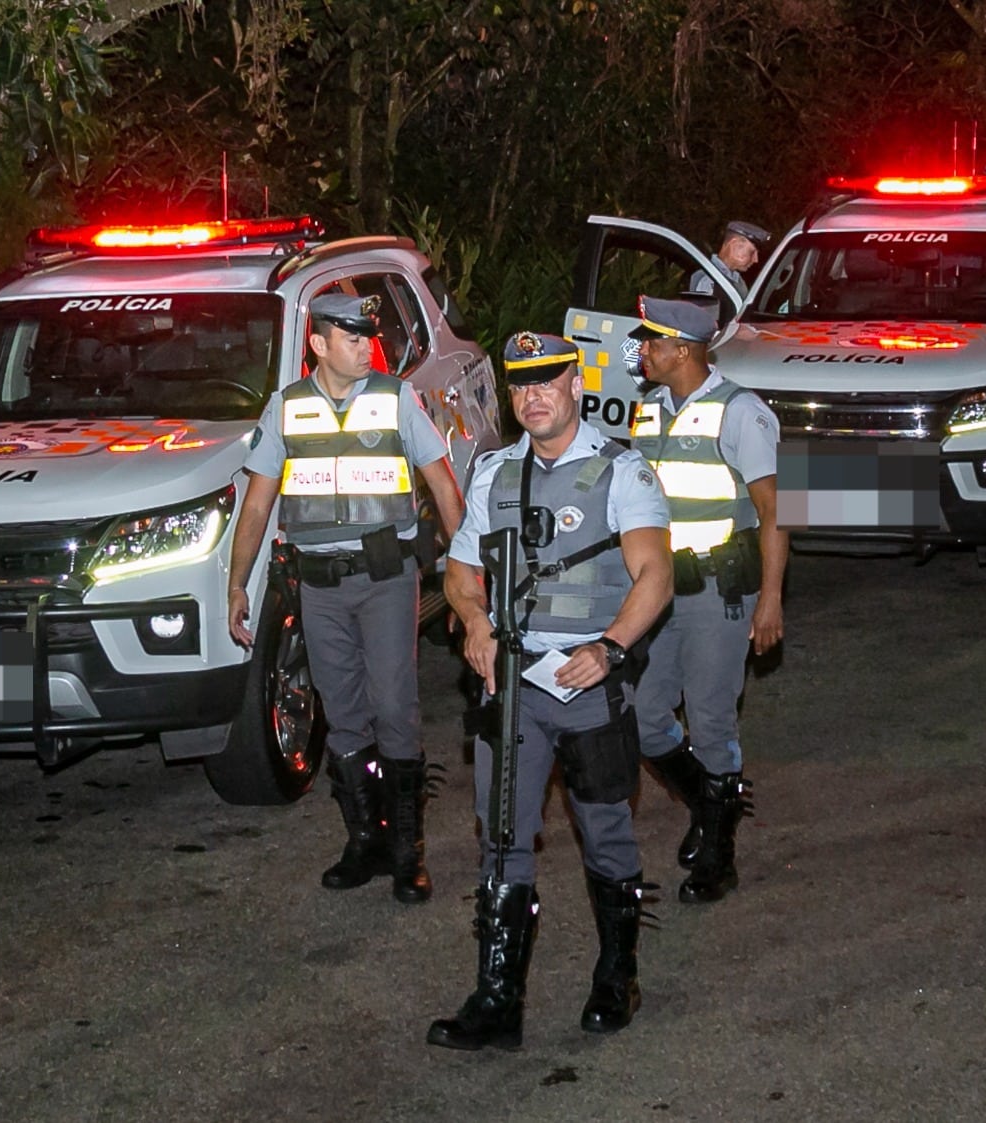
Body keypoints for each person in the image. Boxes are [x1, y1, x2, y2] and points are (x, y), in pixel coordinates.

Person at [427, 331, 672, 1051]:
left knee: (604, 829)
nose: (533, 396)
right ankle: (499, 999)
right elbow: (459, 568)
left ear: (574, 384)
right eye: (519, 385)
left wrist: (611, 647)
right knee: (502, 837)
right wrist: (472, 617)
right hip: (513, 685)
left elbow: (656, 573)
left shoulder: (622, 470)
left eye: (547, 381)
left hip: (589, 682)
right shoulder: (495, 472)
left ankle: (616, 971)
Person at [227, 292, 464, 904]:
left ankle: (409, 854)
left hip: (385, 581)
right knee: (344, 714)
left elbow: (443, 483)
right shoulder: (287, 410)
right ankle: (366, 841)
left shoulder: (395, 399)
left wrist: (467, 580)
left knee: (394, 708)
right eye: (353, 339)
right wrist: (237, 582)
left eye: (369, 337)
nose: (367, 348)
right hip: (320, 586)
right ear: (319, 345)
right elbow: (257, 503)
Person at [627, 294, 788, 904]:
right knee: (644, 717)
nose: (641, 352)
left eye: (651, 342)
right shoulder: (647, 411)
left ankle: (717, 859)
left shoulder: (741, 414)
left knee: (713, 720)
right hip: (658, 594)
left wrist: (770, 600)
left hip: (719, 593)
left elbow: (778, 510)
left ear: (683, 350)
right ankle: (710, 806)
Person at [689, 219, 772, 300]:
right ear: (734, 245)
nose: (755, 260)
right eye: (752, 252)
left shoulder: (738, 281)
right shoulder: (709, 279)